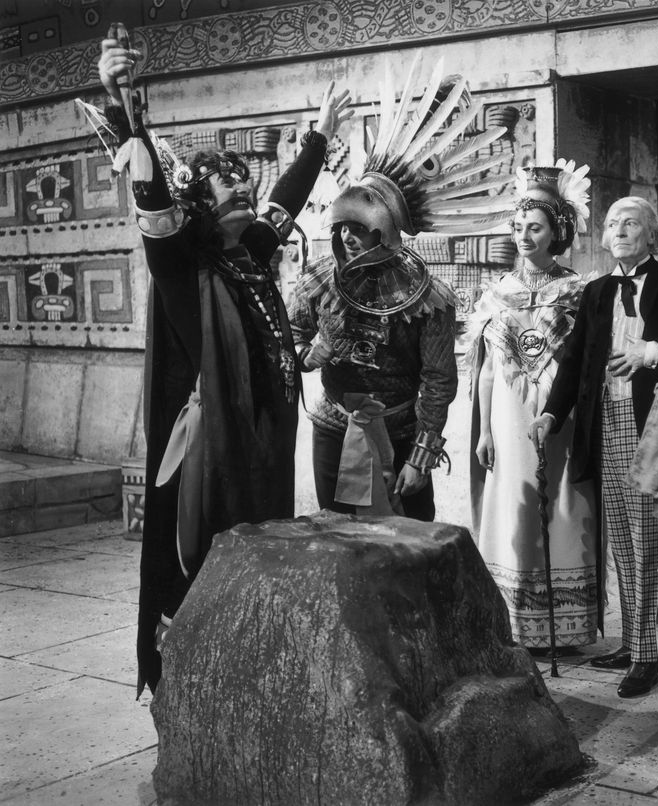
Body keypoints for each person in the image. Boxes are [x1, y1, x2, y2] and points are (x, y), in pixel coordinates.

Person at [95, 35, 353, 695]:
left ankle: (249, 669)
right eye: (232, 195)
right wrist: (124, 110)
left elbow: (285, 201)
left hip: (260, 439)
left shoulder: (246, 252)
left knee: (255, 552)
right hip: (206, 453)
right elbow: (149, 190)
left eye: (247, 193)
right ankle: (191, 683)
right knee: (203, 558)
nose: (249, 203)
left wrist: (319, 140)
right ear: (202, 206)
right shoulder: (179, 261)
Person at [288, 55, 513, 519]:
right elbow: (286, 349)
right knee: (335, 541)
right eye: (343, 226)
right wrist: (317, 353)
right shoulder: (316, 281)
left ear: (385, 230)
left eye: (360, 227)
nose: (348, 236)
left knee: (409, 551)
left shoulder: (428, 297)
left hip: (402, 431)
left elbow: (438, 380)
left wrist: (423, 454)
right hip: (333, 425)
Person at [529, 196, 658, 698]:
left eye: (631, 223)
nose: (620, 230)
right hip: (605, 422)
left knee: (644, 540)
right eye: (613, 223)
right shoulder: (597, 291)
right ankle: (633, 640)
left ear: (652, 235)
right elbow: (574, 359)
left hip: (651, 422)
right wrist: (553, 413)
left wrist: (652, 356)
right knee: (621, 541)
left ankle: (646, 657)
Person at [467, 161, 598, 652]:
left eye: (535, 227)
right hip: (506, 412)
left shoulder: (578, 291)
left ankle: (566, 624)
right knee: (513, 502)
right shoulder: (495, 293)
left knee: (563, 502)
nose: (524, 235)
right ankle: (516, 620)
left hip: (556, 415)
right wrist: (483, 431)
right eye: (519, 227)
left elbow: (583, 366)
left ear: (557, 232)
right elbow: (485, 369)